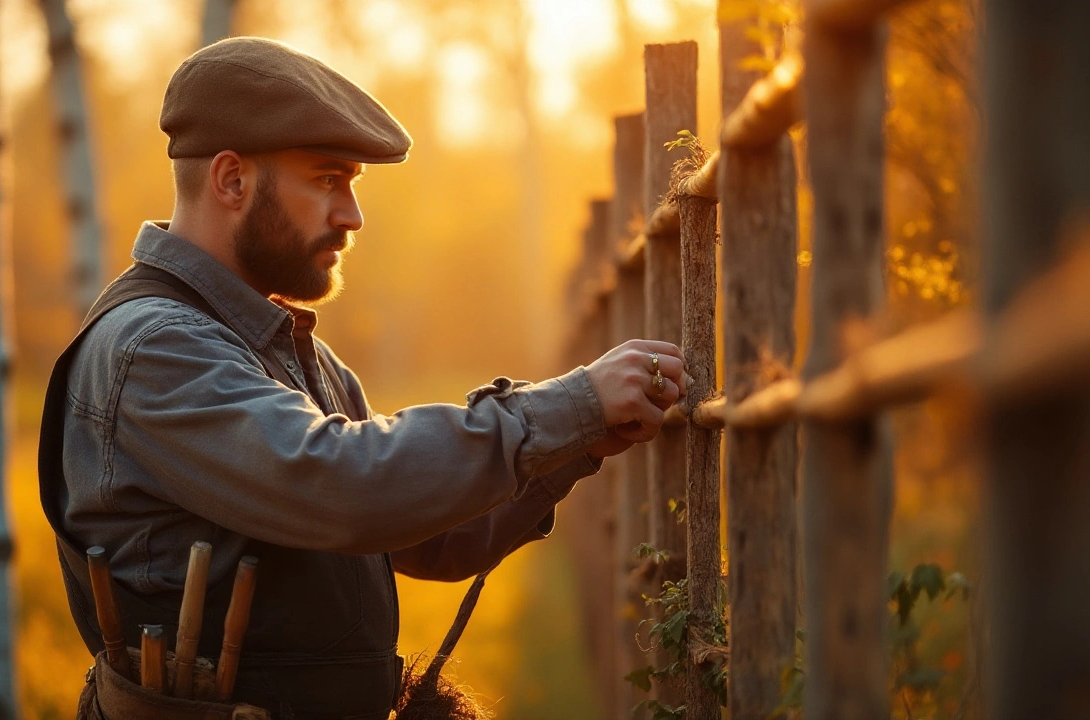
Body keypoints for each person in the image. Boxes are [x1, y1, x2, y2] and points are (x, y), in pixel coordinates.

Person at [39, 36, 685, 719]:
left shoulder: (283, 346)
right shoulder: (154, 349)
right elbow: (342, 485)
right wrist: (567, 404)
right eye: (327, 180)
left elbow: (424, 535)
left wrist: (578, 440)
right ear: (231, 181)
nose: (352, 215)